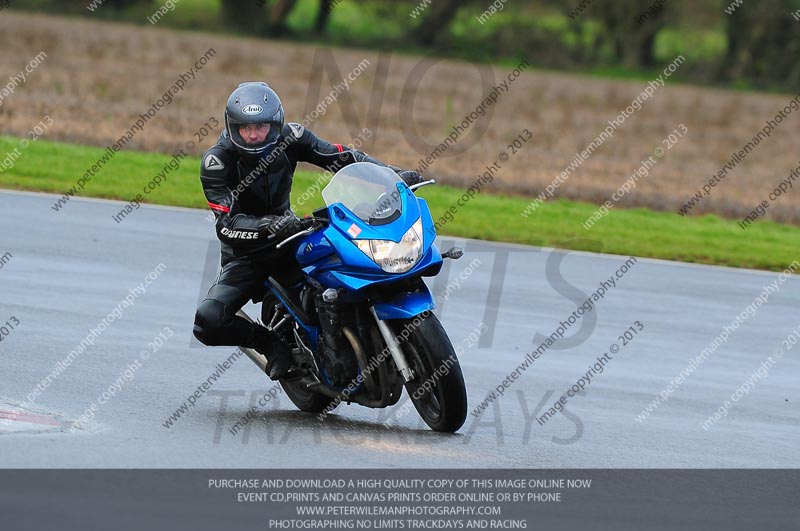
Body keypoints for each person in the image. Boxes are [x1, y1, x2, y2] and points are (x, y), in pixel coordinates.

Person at [193, 82, 423, 380]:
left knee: (354, 258)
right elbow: (226, 226)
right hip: (247, 253)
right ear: (231, 126)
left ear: (275, 124)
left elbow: (343, 158)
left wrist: (392, 175)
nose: (253, 135)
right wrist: (268, 226)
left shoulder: (293, 137)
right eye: (244, 128)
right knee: (208, 321)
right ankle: (269, 343)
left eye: (260, 127)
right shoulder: (217, 162)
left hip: (293, 236)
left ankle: (360, 331)